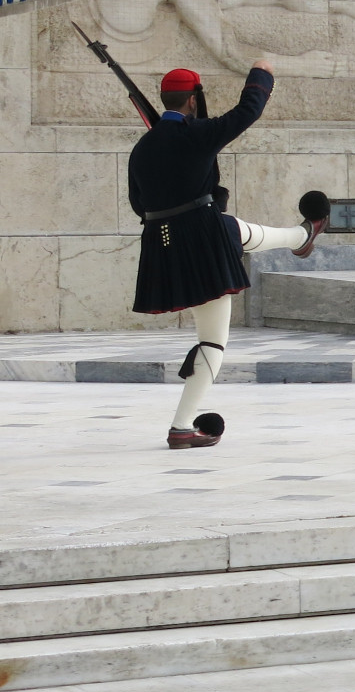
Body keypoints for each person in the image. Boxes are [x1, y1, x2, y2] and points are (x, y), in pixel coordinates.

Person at [128, 62, 329, 449]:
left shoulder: (142, 147)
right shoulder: (197, 134)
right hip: (201, 240)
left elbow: (139, 204)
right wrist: (262, 74)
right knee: (212, 342)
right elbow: (247, 111)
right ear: (192, 99)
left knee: (231, 229)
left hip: (161, 242)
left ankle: (300, 235)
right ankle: (183, 426)